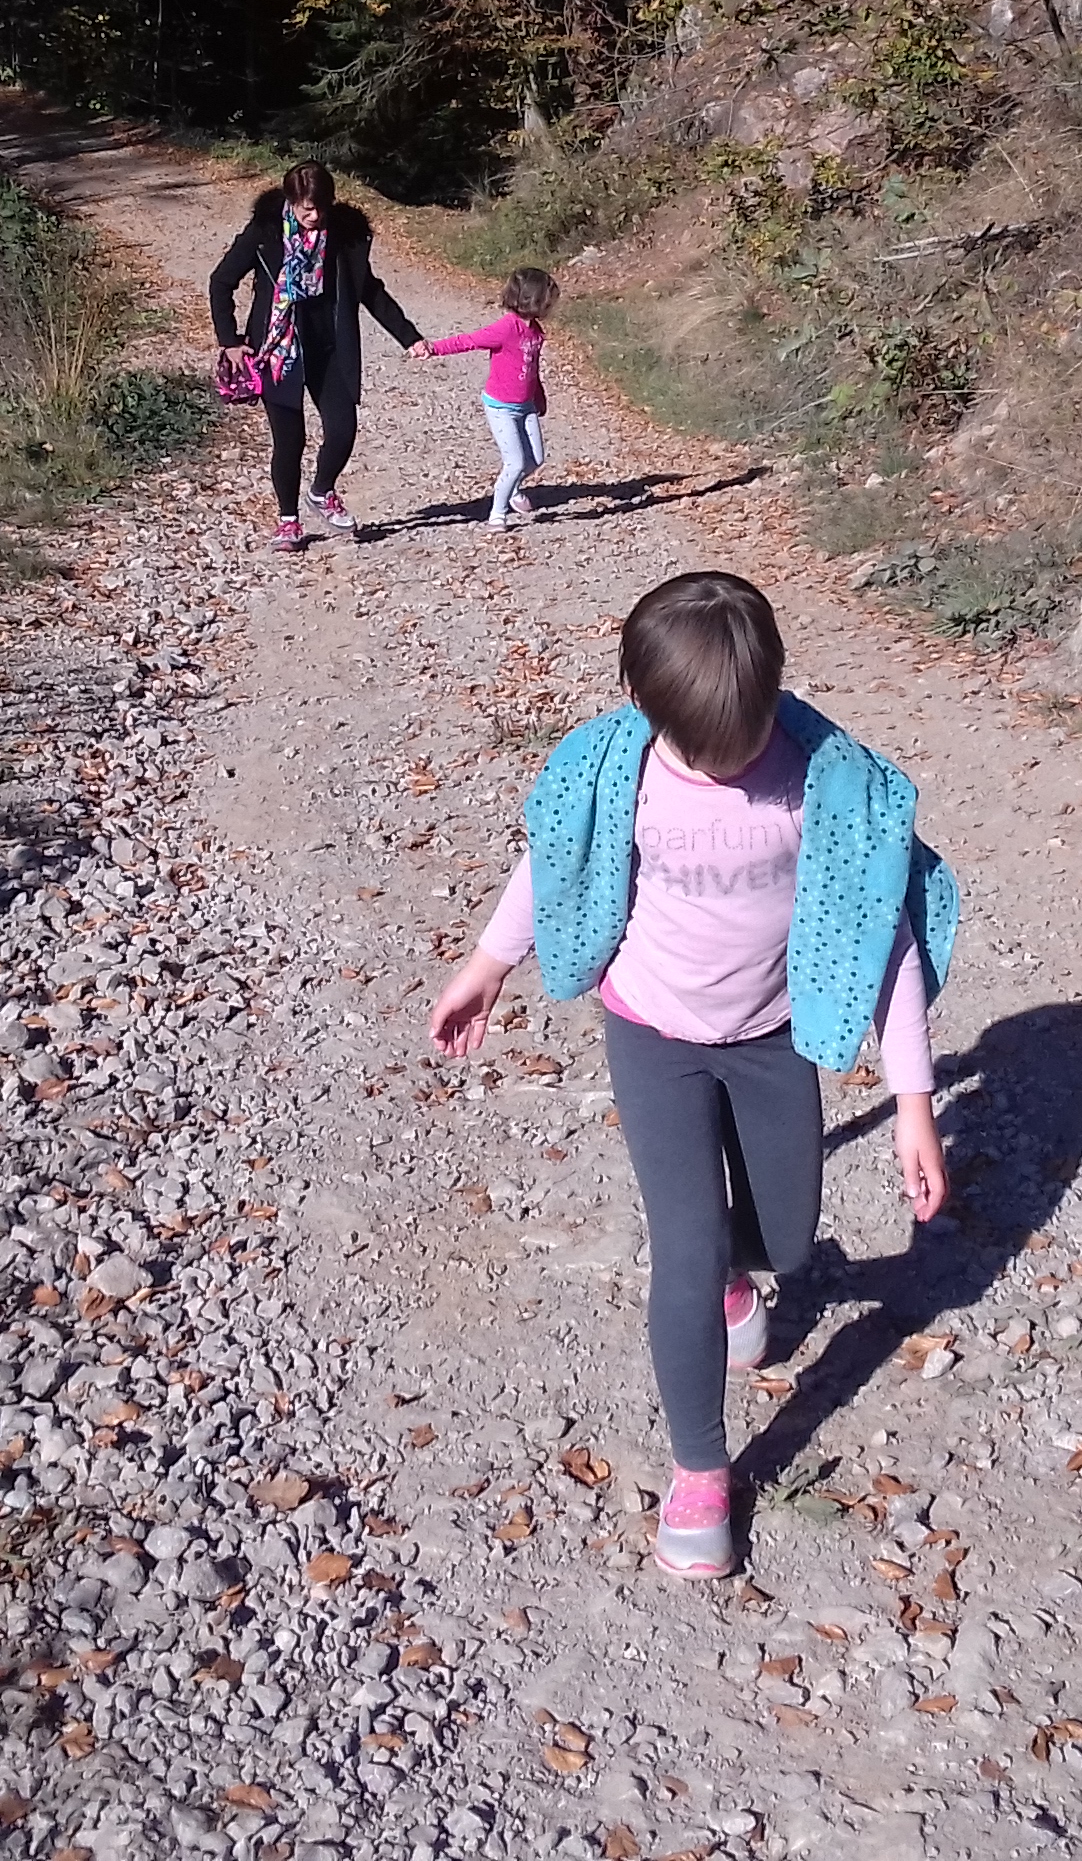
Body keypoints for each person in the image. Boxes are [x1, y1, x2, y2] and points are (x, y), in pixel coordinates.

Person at [426, 570, 958, 1577]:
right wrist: (489, 965)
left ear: (774, 694)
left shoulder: (825, 786)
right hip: (652, 1034)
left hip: (772, 1039)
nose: (728, 768)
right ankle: (702, 1471)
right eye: (703, 751)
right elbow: (555, 860)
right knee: (685, 1242)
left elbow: (880, 939)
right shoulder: (615, 772)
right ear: (642, 703)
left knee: (787, 1240)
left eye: (744, 745)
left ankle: (732, 1275)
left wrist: (914, 1103)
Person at [211, 160, 426, 553]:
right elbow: (221, 281)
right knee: (289, 441)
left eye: (321, 208)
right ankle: (288, 522)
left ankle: (322, 490)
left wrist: (409, 337)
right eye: (307, 209)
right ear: (292, 202)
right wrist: (230, 340)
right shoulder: (265, 232)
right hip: (279, 352)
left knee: (343, 429)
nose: (315, 216)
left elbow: (370, 291)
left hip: (327, 348)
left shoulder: (343, 236)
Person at [413, 267, 557, 529]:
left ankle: (512, 489)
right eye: (547, 299)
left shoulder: (536, 332)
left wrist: (539, 396)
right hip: (501, 407)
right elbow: (469, 341)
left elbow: (532, 368)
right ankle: (497, 514)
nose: (550, 306)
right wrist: (433, 349)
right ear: (531, 299)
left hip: (526, 406)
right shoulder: (506, 328)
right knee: (514, 462)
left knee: (535, 460)